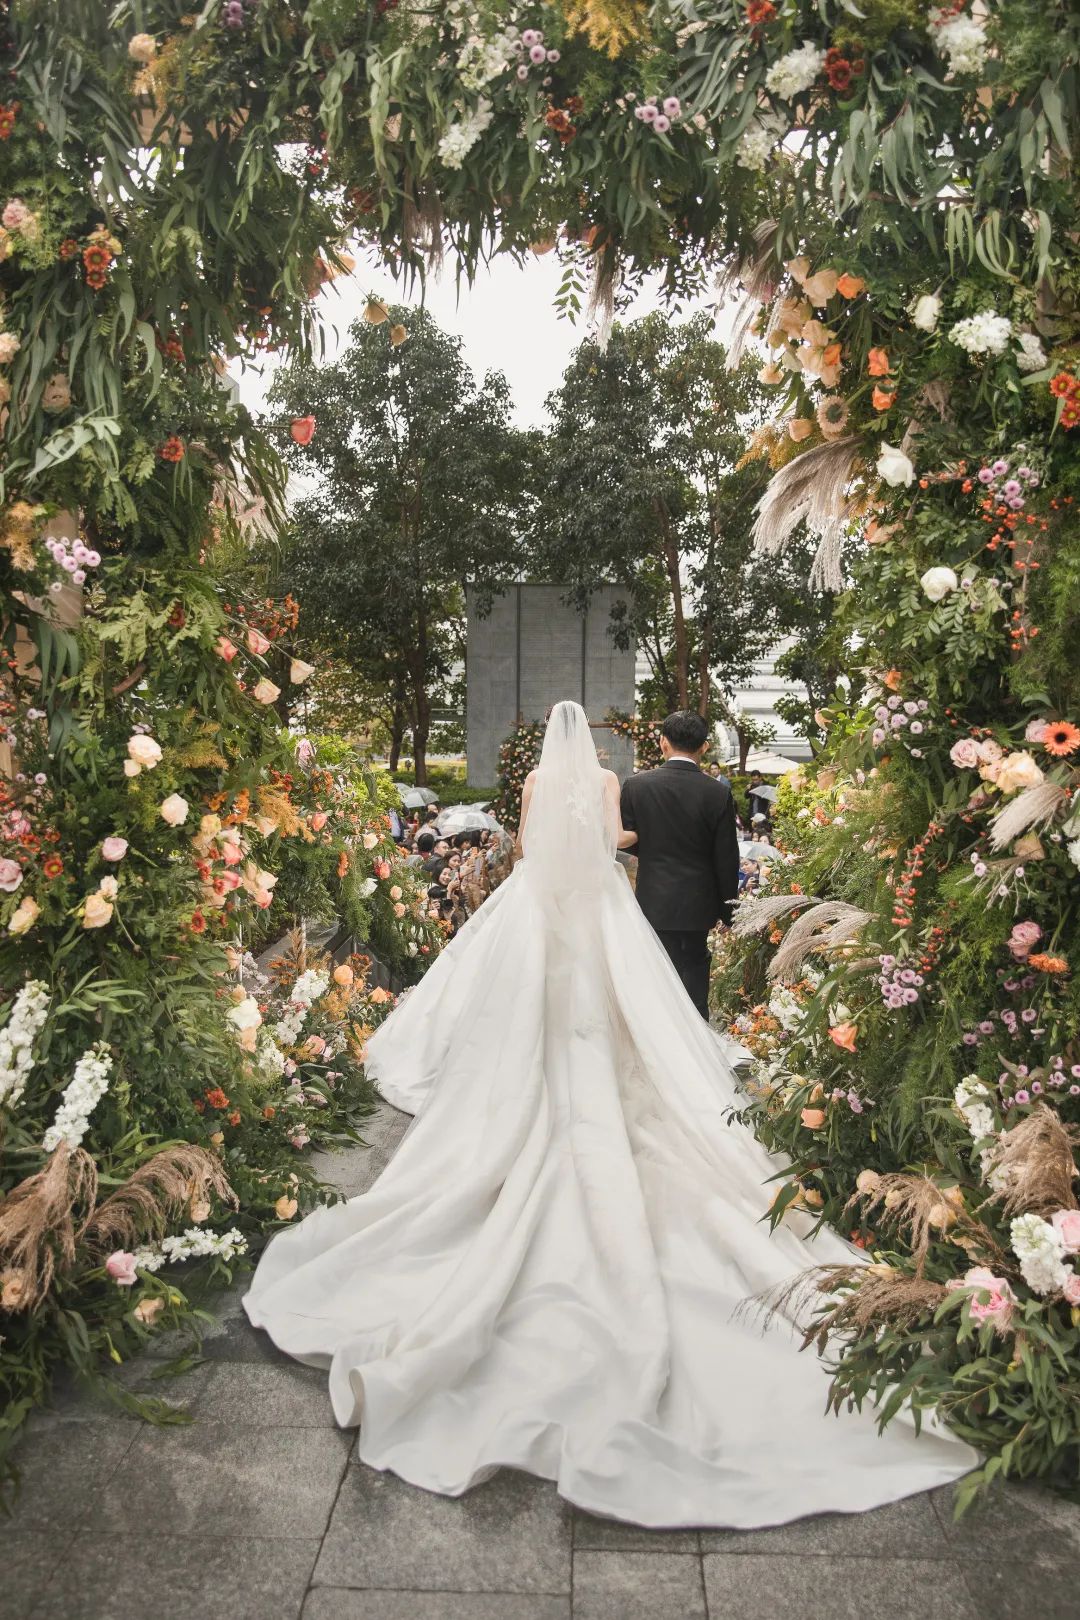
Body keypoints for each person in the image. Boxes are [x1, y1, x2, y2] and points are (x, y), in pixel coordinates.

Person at [245, 700, 973, 1531]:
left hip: (537, 909)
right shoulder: (605, 780)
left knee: (520, 1014)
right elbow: (608, 843)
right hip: (605, 907)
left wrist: (565, 854)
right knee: (638, 1010)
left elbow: (527, 849)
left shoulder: (544, 784)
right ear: (588, 739)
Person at [619, 710, 738, 1020]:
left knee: (654, 977)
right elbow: (726, 858)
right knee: (694, 976)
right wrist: (728, 911)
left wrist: (654, 847)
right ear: (704, 747)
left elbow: (628, 838)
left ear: (663, 743)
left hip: (652, 899)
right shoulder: (718, 793)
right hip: (698, 905)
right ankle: (698, 1047)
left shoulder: (635, 786)